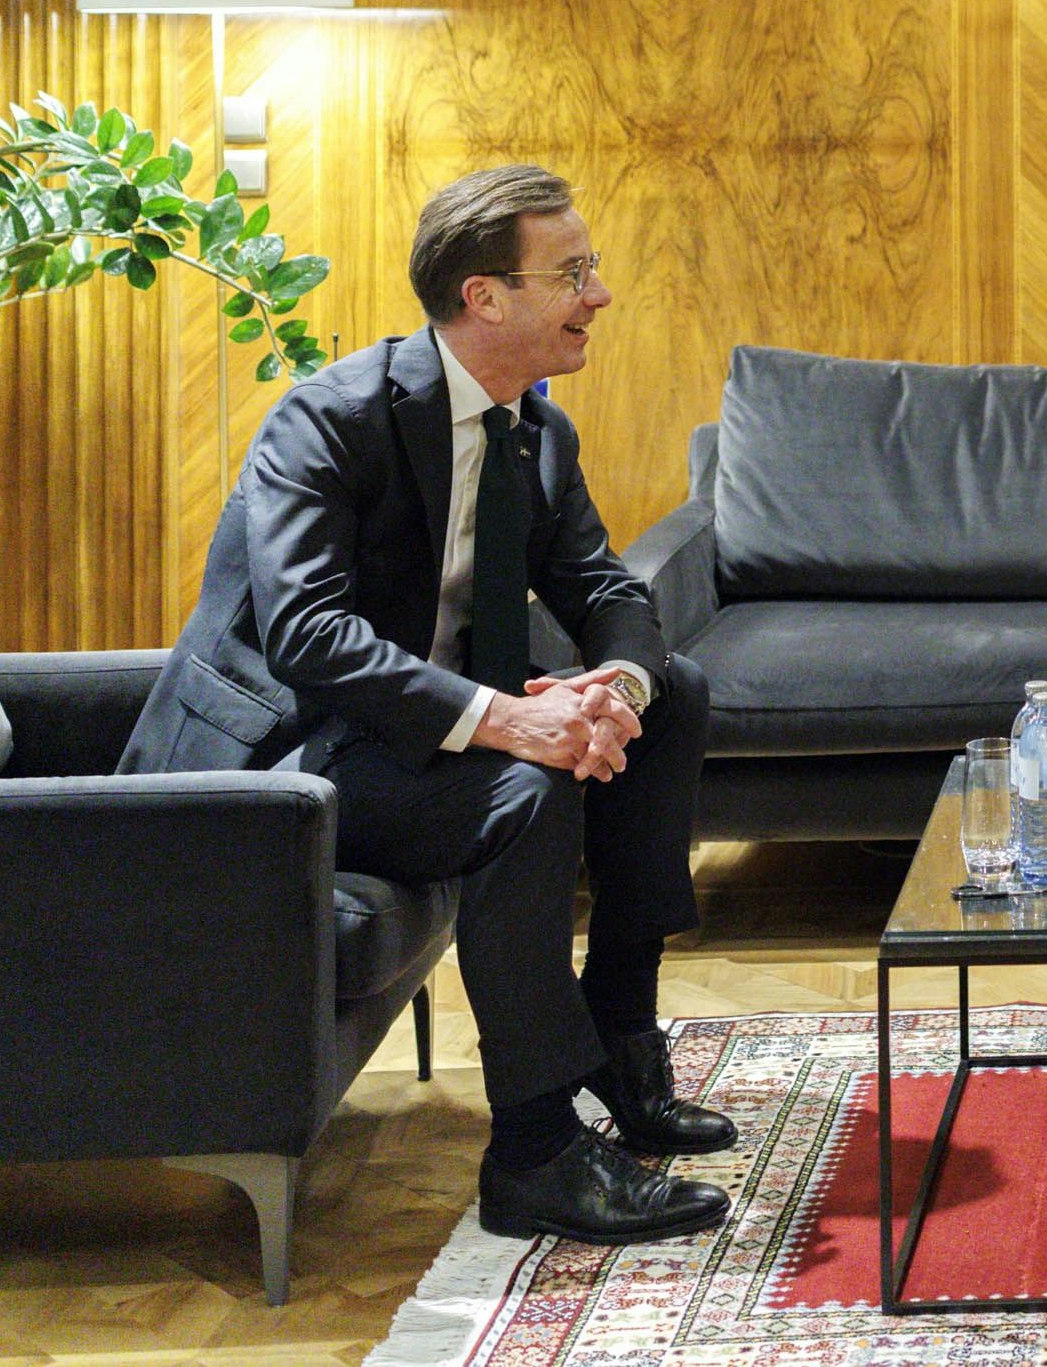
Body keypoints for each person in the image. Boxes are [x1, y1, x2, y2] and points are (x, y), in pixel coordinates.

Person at [121, 165, 735, 1245]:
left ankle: (626, 1046)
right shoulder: (331, 421)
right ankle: (535, 1152)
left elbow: (604, 592)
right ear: (485, 298)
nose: (599, 294)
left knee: (673, 694)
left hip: (409, 740)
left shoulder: (535, 431)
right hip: (285, 760)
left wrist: (614, 688)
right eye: (574, 273)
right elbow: (308, 639)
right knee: (522, 791)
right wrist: (515, 722)